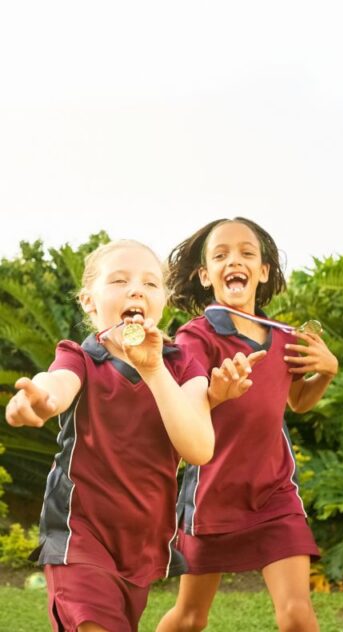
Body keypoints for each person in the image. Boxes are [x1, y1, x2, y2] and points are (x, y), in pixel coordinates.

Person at [4, 240, 217, 632]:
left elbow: (199, 448)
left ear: (163, 302)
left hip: (140, 545)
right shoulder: (79, 357)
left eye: (151, 284)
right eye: (119, 280)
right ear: (89, 302)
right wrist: (41, 400)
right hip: (77, 535)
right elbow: (56, 383)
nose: (136, 289)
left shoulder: (184, 365)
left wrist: (154, 371)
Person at [157, 218, 337, 632]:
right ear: (205, 275)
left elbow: (298, 401)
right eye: (220, 255)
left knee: (297, 616)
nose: (233, 260)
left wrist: (327, 372)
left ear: (263, 271)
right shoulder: (194, 337)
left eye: (246, 253)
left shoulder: (286, 338)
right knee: (189, 618)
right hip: (212, 495)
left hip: (275, 493)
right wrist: (216, 394)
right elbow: (185, 406)